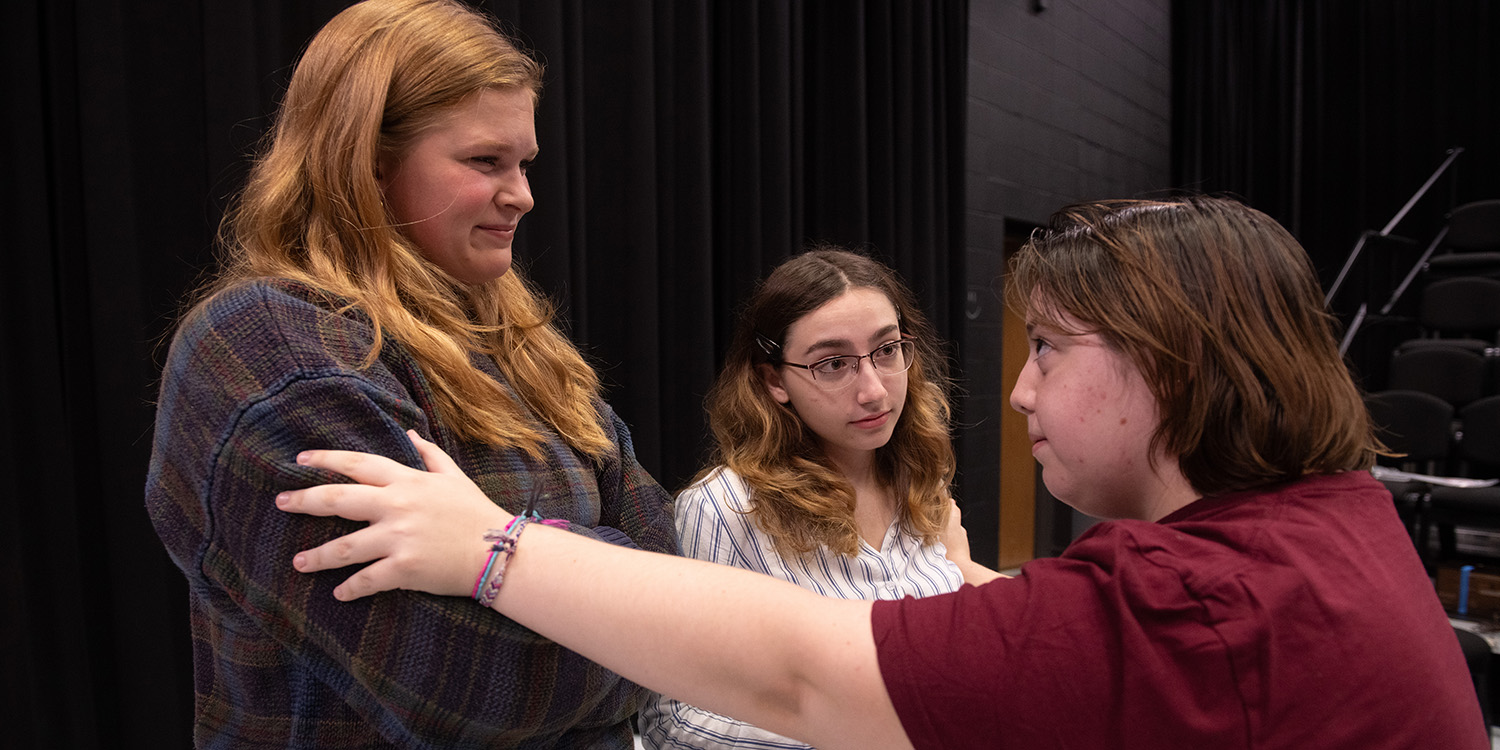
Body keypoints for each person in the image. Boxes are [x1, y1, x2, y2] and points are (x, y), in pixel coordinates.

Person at [276, 196, 1488, 749]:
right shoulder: (1341, 516)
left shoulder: (1190, 596)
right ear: (773, 383)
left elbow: (808, 674)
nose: (1020, 392)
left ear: (1172, 367)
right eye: (833, 361)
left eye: (1052, 352)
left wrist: (490, 548)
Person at [143, 0, 675, 747]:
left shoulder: (515, 341)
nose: (522, 194)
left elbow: (669, 555)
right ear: (368, 163)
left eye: (524, 163)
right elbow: (464, 688)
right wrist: (631, 606)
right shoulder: (266, 350)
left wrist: (495, 554)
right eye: (485, 162)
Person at [637, 248, 998, 749]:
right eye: (833, 364)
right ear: (774, 380)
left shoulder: (918, 480)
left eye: (887, 350)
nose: (874, 390)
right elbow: (674, 719)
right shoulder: (727, 507)